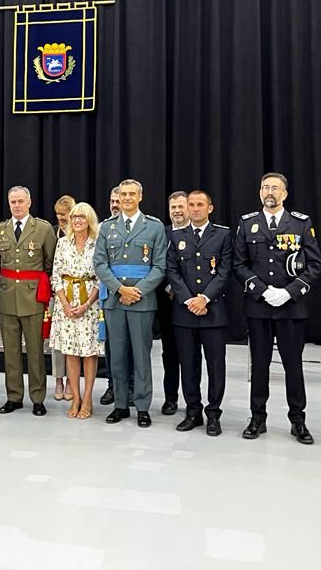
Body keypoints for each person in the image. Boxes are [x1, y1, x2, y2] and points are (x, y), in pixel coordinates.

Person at [233, 172, 321, 443]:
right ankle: (257, 417)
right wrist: (262, 291)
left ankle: (298, 420)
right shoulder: (248, 224)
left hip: (290, 307)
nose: (269, 192)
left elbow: (315, 265)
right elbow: (239, 264)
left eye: (275, 188)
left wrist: (288, 292)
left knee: (293, 365)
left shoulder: (301, 223)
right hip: (259, 306)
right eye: (264, 187)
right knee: (259, 365)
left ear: (285, 193)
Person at [94, 179, 168, 428]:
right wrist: (120, 289)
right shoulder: (107, 227)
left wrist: (137, 291)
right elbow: (100, 263)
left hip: (141, 301)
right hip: (115, 301)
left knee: (141, 355)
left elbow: (159, 267)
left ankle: (143, 407)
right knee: (117, 356)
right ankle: (120, 405)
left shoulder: (154, 227)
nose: (126, 198)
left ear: (140, 197)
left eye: (131, 194)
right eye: (123, 194)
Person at [165, 190, 233, 434]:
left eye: (199, 204)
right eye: (191, 204)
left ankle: (213, 414)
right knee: (189, 365)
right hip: (184, 313)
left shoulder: (222, 235)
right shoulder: (176, 236)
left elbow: (225, 272)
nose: (194, 209)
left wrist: (204, 298)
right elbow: (172, 271)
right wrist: (189, 300)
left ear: (209, 208)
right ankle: (193, 411)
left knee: (216, 366)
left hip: (213, 312)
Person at [0, 186, 56, 416]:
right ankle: (14, 397)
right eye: (13, 202)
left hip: (33, 297)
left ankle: (38, 398)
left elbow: (49, 264)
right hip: (8, 297)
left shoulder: (43, 229)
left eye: (20, 201)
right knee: (10, 351)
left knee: (36, 351)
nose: (16, 206)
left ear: (29, 202)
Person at [50, 202, 102, 419]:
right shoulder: (62, 243)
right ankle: (76, 398)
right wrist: (64, 303)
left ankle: (88, 399)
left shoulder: (98, 243)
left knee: (89, 354)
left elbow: (101, 277)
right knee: (70, 352)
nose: (78, 220)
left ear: (90, 219)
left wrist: (86, 304)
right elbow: (56, 275)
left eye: (82, 217)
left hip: (89, 306)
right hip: (66, 307)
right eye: (74, 217)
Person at [155, 190, 188, 415]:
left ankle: (192, 400)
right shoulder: (162, 234)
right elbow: (156, 265)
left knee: (191, 354)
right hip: (168, 302)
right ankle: (170, 397)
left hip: (194, 303)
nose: (176, 211)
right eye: (173, 208)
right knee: (170, 353)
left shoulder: (199, 233)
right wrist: (171, 288)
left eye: (180, 207)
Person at [100, 185, 133, 406]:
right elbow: (99, 262)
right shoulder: (103, 227)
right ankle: (112, 385)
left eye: (118, 200)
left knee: (132, 344)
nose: (114, 204)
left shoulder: (141, 226)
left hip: (134, 293)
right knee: (112, 344)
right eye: (112, 201)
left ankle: (131, 387)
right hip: (109, 294)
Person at [49, 194, 75, 401]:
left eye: (64, 214)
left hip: (78, 294)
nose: (60, 218)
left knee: (73, 341)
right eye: (58, 214)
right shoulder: (53, 232)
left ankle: (70, 381)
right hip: (56, 293)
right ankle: (58, 378)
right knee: (56, 341)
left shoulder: (81, 233)